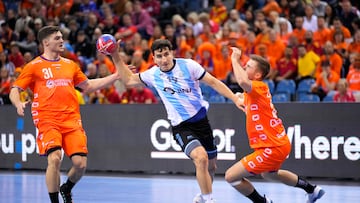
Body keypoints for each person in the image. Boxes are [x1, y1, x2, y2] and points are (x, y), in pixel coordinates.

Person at [110, 39, 243, 203]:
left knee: (211, 166)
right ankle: (209, 200)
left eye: (166, 54)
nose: (164, 59)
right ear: (153, 58)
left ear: (172, 53)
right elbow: (128, 81)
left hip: (202, 122)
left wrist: (235, 99)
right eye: (159, 56)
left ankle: (203, 196)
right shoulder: (153, 74)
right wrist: (115, 54)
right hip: (181, 127)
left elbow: (214, 82)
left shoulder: (189, 66)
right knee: (201, 158)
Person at [9, 26, 121, 203]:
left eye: (62, 37)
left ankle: (66, 188)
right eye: (57, 38)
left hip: (71, 119)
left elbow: (89, 86)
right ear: (46, 42)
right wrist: (18, 103)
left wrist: (115, 76)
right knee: (54, 158)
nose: (62, 40)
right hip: (47, 119)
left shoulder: (70, 65)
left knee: (80, 164)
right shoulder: (34, 66)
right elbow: (15, 89)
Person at [225, 47, 325, 203]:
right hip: (278, 144)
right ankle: (311, 189)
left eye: (248, 66)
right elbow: (244, 98)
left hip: (271, 147)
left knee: (231, 176)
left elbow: (243, 81)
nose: (244, 67)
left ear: (257, 75)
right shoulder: (253, 93)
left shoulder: (258, 86)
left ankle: (262, 202)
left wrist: (234, 59)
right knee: (269, 174)